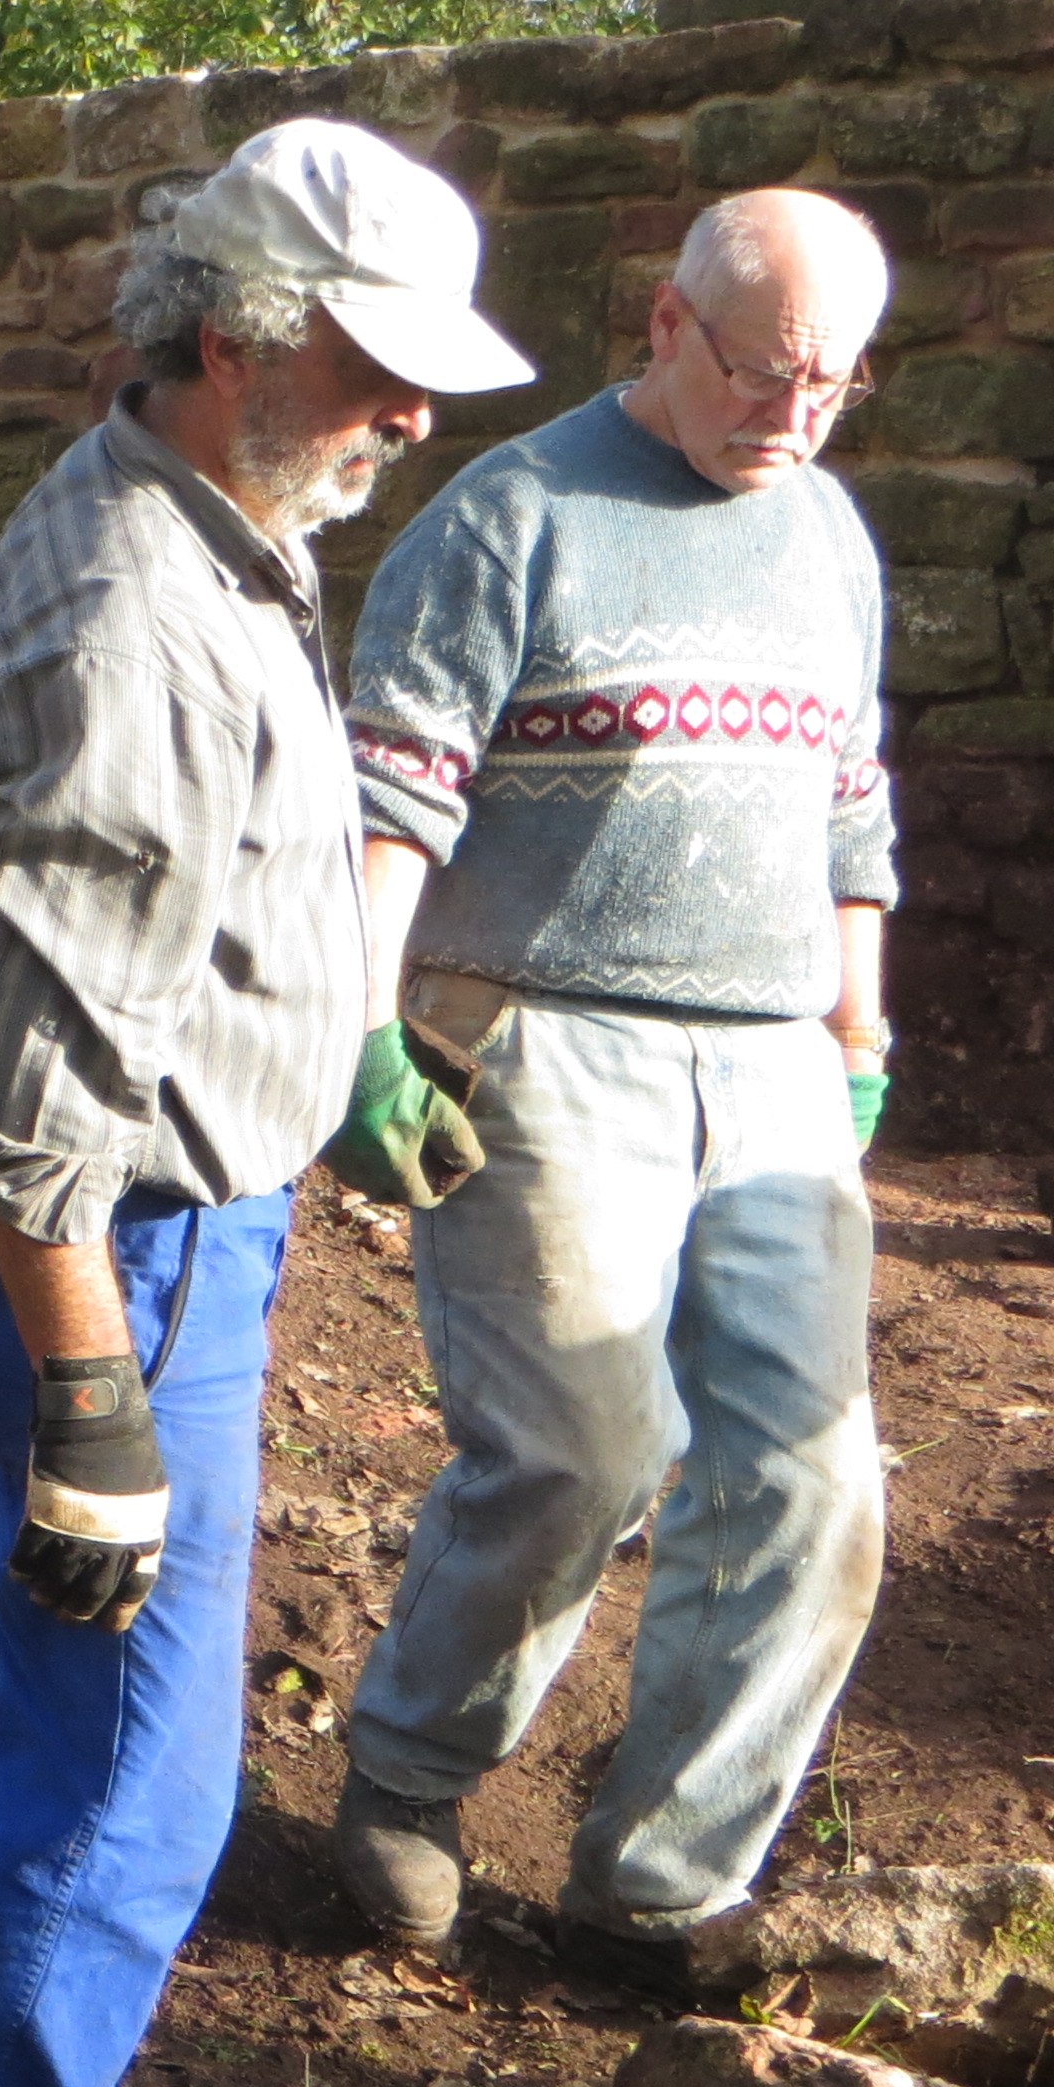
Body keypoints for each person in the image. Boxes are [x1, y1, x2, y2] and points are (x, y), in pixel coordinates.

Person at [0, 120, 531, 2087]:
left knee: (58, 1571)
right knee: (137, 1771)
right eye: (371, 365)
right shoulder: (135, 618)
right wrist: (89, 1399)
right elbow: (39, 1093)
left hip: (138, 1211)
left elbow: (195, 903)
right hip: (107, 1245)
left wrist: (341, 1048)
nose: (408, 414)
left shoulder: (228, 516)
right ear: (232, 338)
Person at [325, 187, 895, 1975]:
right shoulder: (515, 517)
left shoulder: (828, 532)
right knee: (588, 1449)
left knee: (815, 1488)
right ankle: (413, 1770)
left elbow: (852, 804)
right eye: (760, 372)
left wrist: (859, 1032)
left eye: (831, 386)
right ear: (666, 323)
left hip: (776, 1054)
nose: (790, 415)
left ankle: (662, 1882)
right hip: (550, 1034)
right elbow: (390, 802)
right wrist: (361, 1025)